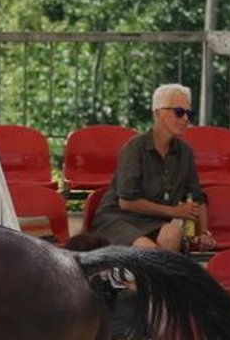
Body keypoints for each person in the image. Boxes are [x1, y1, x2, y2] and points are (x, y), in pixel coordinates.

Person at [90, 83, 215, 253]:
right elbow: (127, 202)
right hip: (118, 219)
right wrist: (173, 211)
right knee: (148, 250)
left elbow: (197, 198)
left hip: (154, 221)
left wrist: (203, 233)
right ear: (158, 114)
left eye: (189, 113)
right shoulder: (134, 148)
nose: (186, 119)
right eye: (179, 112)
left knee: (173, 234)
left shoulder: (185, 152)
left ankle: (160, 277)